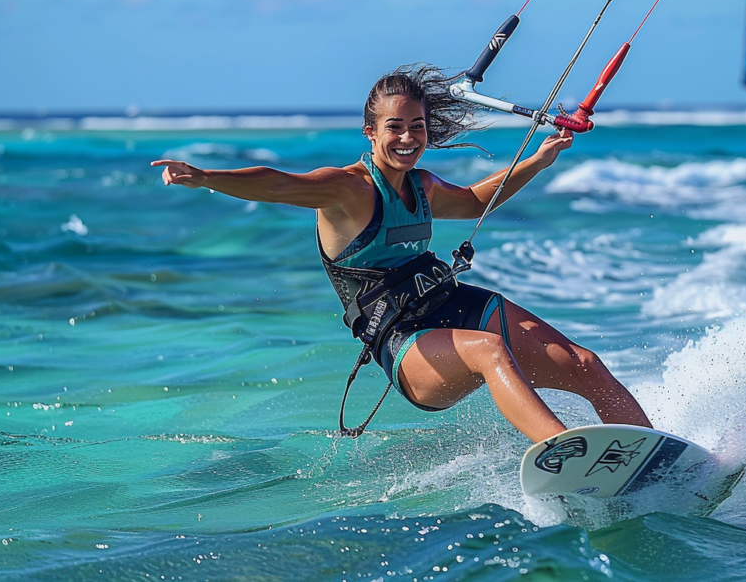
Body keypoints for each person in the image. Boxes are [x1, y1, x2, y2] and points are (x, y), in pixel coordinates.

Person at [152, 64, 651, 444]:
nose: (408, 138)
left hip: (445, 302)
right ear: (371, 132)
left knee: (585, 364)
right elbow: (279, 184)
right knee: (489, 349)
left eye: (417, 126)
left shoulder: (424, 185)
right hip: (405, 343)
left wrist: (539, 160)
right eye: (395, 127)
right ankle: (566, 454)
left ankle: (659, 457)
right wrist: (207, 177)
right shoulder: (347, 190)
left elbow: (477, 199)